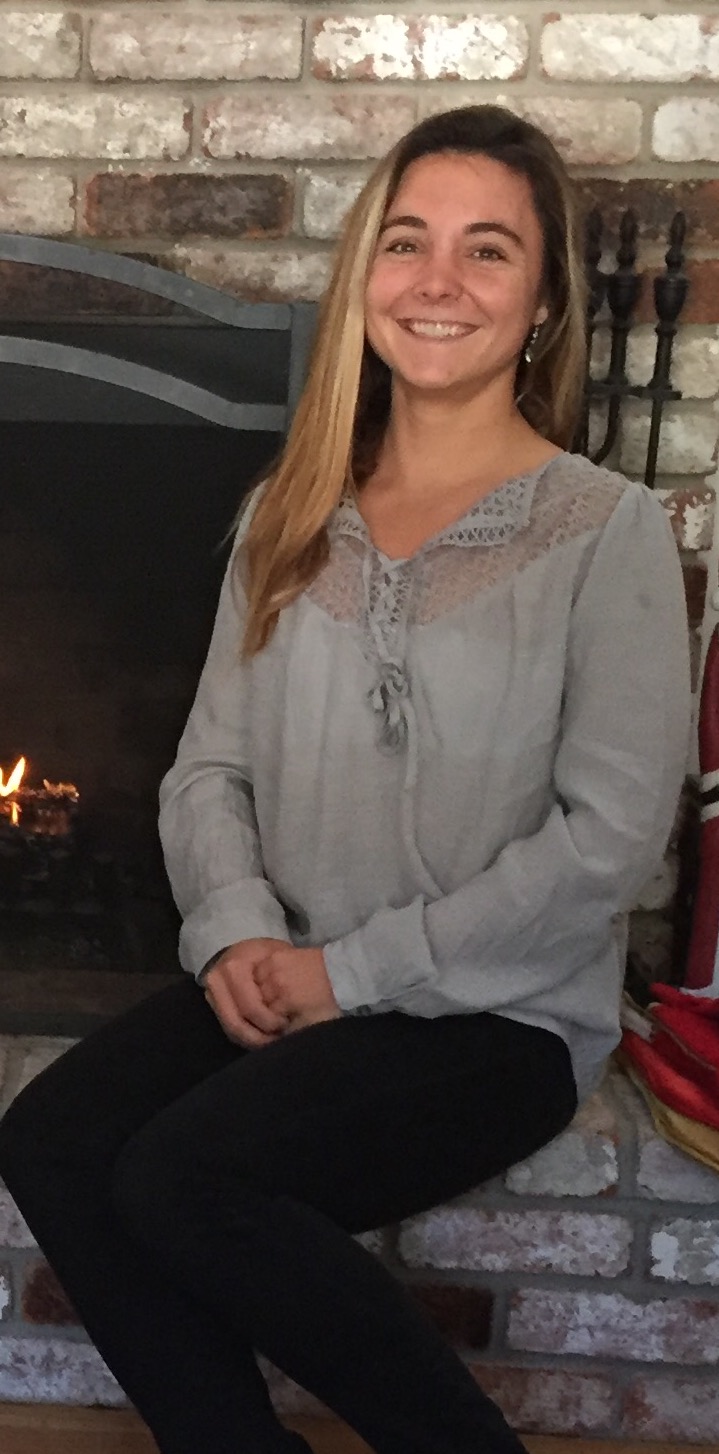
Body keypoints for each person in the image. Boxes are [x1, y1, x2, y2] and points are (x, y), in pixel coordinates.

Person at [0, 105, 690, 1454]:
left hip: (492, 1015)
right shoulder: (291, 512)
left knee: (186, 1179)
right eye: (407, 241)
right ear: (365, 272)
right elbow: (208, 765)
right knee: (54, 1138)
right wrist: (237, 933)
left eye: (488, 251)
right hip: (287, 971)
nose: (440, 281)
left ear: (545, 302)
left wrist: (348, 976)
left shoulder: (604, 535)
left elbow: (606, 845)